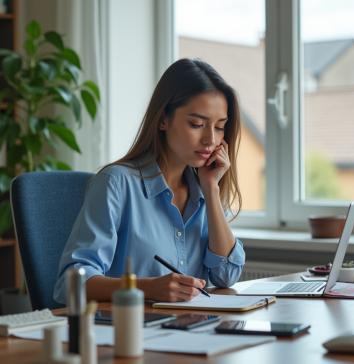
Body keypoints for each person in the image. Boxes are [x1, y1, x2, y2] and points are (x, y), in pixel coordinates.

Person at [53, 58, 245, 304]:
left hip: (192, 332)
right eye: (197, 124)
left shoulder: (206, 189)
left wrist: (211, 188)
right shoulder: (116, 184)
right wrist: (145, 288)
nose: (210, 139)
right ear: (163, 119)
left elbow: (226, 275)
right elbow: (69, 283)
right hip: (126, 333)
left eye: (219, 127)